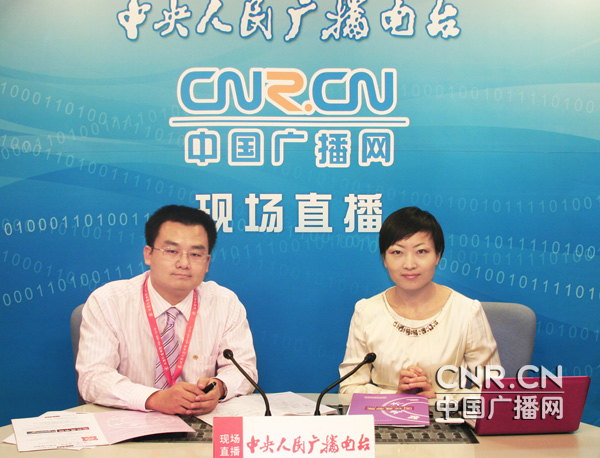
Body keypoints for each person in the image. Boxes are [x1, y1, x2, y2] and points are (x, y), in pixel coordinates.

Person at [76, 205, 257, 415]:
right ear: (148, 255)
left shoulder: (225, 303)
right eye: (172, 251)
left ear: (207, 262)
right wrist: (154, 399)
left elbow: (244, 370)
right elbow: (93, 377)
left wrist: (219, 387)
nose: (184, 263)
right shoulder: (108, 302)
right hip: (129, 422)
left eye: (195, 254)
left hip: (200, 423)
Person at [339, 206, 500, 398]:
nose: (409, 264)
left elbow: (492, 393)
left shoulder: (466, 311)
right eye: (397, 252)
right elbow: (348, 388)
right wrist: (396, 396)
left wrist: (437, 399)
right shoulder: (366, 311)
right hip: (384, 414)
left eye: (421, 251)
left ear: (438, 256)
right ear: (384, 259)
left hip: (446, 414)